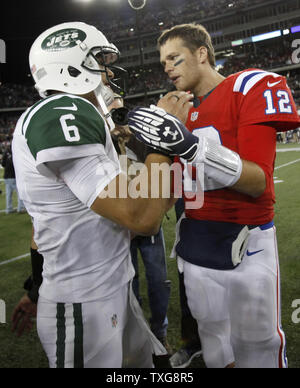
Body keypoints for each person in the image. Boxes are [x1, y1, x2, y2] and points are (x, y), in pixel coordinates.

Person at [11, 21, 193, 368]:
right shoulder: (61, 112)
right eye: (99, 61)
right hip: (85, 303)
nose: (107, 73)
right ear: (70, 65)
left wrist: (35, 288)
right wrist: (160, 135)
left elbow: (146, 196)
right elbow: (142, 219)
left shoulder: (77, 117)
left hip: (110, 287)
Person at [127, 23, 300, 368]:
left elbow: (258, 183)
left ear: (202, 53)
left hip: (246, 245)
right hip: (194, 247)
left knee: (259, 347)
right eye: (163, 63)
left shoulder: (249, 86)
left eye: (175, 58)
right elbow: (162, 189)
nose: (168, 68)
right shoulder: (180, 113)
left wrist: (188, 145)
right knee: (215, 344)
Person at [1, 141, 25, 214]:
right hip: (13, 176)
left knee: (9, 194)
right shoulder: (16, 153)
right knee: (20, 192)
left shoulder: (6, 152)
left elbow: (3, 164)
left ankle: (9, 209)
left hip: (6, 176)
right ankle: (20, 208)